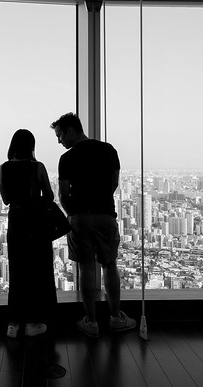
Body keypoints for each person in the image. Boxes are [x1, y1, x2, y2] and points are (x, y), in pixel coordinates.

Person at [50, 113, 136, 337]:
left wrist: (73, 214)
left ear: (71, 130)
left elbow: (63, 193)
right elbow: (114, 183)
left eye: (60, 135)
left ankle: (91, 321)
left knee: (87, 267)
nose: (59, 141)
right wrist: (101, 201)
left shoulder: (67, 159)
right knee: (109, 264)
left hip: (80, 217)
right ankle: (116, 318)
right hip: (105, 215)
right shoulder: (109, 150)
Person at [0, 129, 57, 338]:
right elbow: (49, 196)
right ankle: (34, 322)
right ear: (31, 146)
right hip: (36, 223)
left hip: (16, 223)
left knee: (18, 271)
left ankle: (13, 324)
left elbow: (6, 199)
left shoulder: (2, 169)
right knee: (37, 272)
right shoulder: (37, 167)